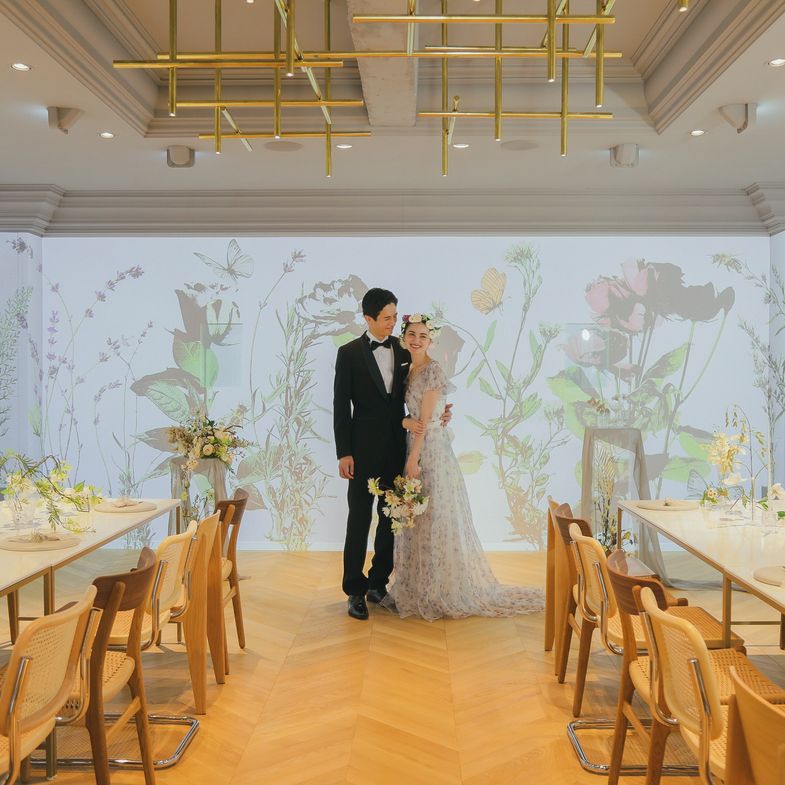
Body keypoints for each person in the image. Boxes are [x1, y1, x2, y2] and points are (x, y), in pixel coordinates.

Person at [382, 313, 544, 621]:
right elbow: (418, 415)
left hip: (429, 450)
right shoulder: (409, 369)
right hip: (416, 444)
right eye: (412, 334)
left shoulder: (432, 370)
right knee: (419, 519)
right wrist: (410, 422)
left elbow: (425, 422)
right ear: (404, 337)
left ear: (431, 340)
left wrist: (413, 459)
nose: (416, 340)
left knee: (434, 516)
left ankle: (440, 589)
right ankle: (420, 586)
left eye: (423, 336)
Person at [333, 289, 451, 620]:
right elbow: (341, 406)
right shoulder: (349, 353)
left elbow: (420, 391)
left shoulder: (403, 350)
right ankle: (354, 590)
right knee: (359, 519)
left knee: (390, 518)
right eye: (387, 318)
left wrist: (441, 411)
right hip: (361, 452)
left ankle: (378, 583)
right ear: (368, 318)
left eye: (395, 316)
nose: (392, 323)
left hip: (397, 448)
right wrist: (344, 453)